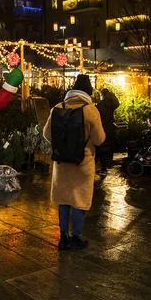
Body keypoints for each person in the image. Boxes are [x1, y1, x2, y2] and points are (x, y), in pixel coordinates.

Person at [43, 74, 106, 250]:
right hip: (83, 163)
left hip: (61, 163)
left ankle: (63, 238)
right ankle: (76, 237)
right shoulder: (91, 110)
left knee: (63, 199)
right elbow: (99, 139)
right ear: (88, 92)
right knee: (79, 200)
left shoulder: (57, 107)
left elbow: (47, 135)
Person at [95, 88, 120, 176]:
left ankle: (101, 168)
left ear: (102, 95)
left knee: (99, 149)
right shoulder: (110, 105)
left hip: (102, 128)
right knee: (104, 150)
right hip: (109, 129)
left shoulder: (100, 105)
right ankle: (103, 168)